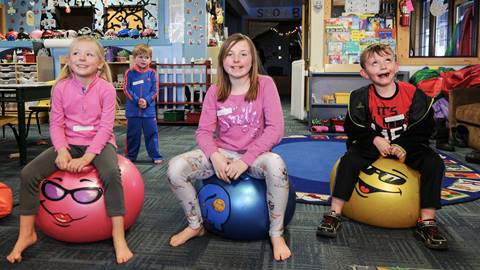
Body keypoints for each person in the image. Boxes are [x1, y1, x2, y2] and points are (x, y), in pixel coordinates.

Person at [6, 36, 133, 264]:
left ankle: (118, 234)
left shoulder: (105, 89)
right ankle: (27, 234)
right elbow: (56, 124)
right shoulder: (61, 88)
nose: (82, 58)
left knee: (112, 174)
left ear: (100, 63)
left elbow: (105, 127)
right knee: (28, 174)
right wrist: (62, 149)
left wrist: (88, 156)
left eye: (89, 54)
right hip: (68, 142)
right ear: (68, 60)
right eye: (76, 53)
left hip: (99, 144)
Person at [166, 33, 292, 261]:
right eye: (230, 54)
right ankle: (195, 225)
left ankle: (276, 233)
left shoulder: (265, 85)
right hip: (222, 153)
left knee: (277, 165)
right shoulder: (215, 91)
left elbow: (275, 130)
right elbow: (203, 132)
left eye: (243, 54)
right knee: (175, 168)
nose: (236, 60)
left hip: (256, 156)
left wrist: (245, 160)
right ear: (222, 60)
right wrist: (215, 156)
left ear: (252, 60)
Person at [316, 44, 448, 250]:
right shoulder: (360, 97)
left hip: (408, 144)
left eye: (387, 61)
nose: (382, 66)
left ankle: (428, 220)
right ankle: (334, 212)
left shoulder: (414, 94)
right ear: (364, 73)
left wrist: (403, 145)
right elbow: (354, 127)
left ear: (396, 66)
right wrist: (374, 139)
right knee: (349, 160)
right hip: (372, 144)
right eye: (374, 63)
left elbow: (424, 126)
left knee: (434, 163)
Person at [123, 44, 163, 164]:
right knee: (132, 135)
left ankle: (155, 155)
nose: (143, 60)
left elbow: (155, 90)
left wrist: (146, 100)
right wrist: (137, 100)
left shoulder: (152, 73)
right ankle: (131, 156)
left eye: (146, 57)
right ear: (134, 58)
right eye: (140, 57)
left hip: (148, 112)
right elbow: (126, 89)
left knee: (151, 134)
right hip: (133, 111)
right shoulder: (129, 73)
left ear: (150, 59)